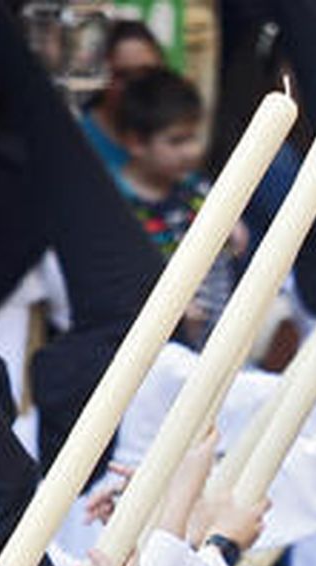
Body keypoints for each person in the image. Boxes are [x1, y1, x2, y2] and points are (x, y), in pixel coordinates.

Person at [115, 67, 246, 346]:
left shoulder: (196, 188)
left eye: (193, 137)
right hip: (159, 347)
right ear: (135, 142)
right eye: (176, 141)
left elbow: (235, 243)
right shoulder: (119, 207)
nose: (191, 151)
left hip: (218, 332)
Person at [80, 19, 166, 174]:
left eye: (146, 72)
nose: (136, 84)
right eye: (123, 75)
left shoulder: (176, 130)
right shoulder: (79, 138)